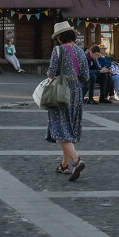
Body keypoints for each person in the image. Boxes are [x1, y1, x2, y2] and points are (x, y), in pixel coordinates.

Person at [45, 22, 89, 180]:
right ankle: (64, 165)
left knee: (59, 128)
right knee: (68, 128)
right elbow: (86, 77)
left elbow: (51, 73)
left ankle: (77, 161)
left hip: (60, 91)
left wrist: (50, 73)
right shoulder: (81, 51)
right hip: (76, 92)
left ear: (59, 37)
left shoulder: (57, 50)